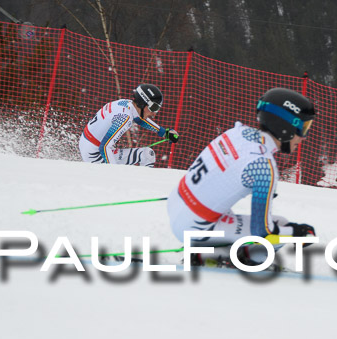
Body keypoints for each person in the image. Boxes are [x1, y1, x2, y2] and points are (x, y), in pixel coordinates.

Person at [167, 87, 316, 266]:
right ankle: (212, 257)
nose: (303, 138)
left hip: (176, 202)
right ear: (285, 128)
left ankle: (213, 252)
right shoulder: (264, 166)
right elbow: (263, 231)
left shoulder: (237, 132)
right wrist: (298, 233)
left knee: (274, 225)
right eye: (303, 128)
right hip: (193, 227)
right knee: (280, 228)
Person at [79, 84, 179, 167]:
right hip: (95, 155)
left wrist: (164, 132)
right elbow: (104, 147)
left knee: (145, 154)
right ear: (143, 102)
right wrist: (114, 175)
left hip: (88, 145)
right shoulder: (125, 118)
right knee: (147, 155)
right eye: (154, 107)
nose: (154, 113)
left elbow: (139, 119)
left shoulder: (127, 104)